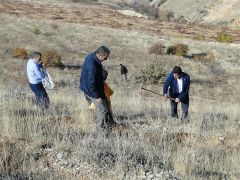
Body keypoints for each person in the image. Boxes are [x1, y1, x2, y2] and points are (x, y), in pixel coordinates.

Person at [80, 46, 116, 130]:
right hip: (91, 91)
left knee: (106, 102)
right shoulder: (92, 66)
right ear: (99, 55)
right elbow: (91, 84)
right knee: (103, 110)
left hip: (91, 87)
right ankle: (99, 129)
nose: (105, 60)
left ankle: (110, 122)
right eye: (105, 58)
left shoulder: (90, 56)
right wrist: (97, 97)